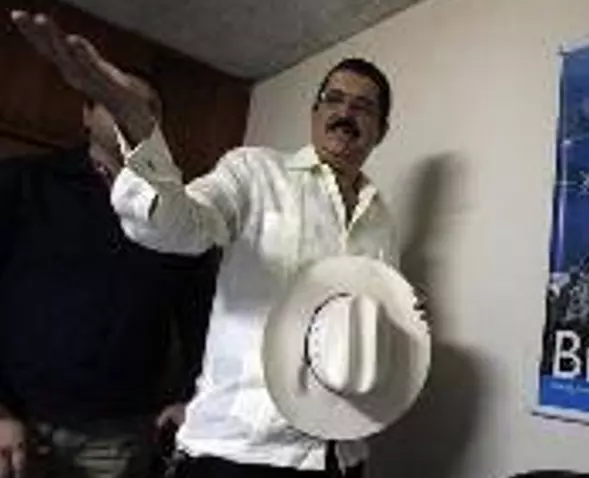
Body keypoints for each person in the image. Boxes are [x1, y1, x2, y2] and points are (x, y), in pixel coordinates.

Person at [10, 10, 400, 478]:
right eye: (332, 100)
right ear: (315, 114)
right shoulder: (253, 171)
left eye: (363, 107)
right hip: (241, 450)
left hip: (341, 454)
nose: (345, 114)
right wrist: (137, 125)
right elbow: (179, 225)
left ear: (381, 130)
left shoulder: (382, 222)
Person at [0, 53, 219, 478]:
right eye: (113, 97)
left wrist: (190, 396)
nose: (128, 111)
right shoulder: (21, 182)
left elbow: (200, 314)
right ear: (86, 113)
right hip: (15, 424)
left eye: (145, 108)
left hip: (121, 434)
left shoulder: (183, 215)